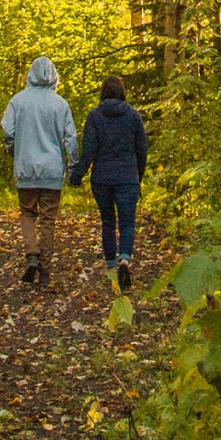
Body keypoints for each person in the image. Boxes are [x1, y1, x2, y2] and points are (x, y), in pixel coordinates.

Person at [0, 55, 77, 287]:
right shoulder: (60, 103)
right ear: (54, 76)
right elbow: (70, 137)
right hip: (52, 171)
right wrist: (73, 164)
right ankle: (45, 270)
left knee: (27, 213)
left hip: (26, 169)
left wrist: (13, 150)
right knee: (48, 220)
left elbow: (7, 131)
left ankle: (32, 253)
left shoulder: (18, 101)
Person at [68, 75, 147, 291]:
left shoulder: (95, 116)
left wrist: (77, 175)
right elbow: (142, 150)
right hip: (127, 177)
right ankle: (124, 259)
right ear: (122, 92)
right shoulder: (133, 116)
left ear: (103, 92)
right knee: (127, 222)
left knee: (108, 221)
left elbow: (89, 151)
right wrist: (138, 175)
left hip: (102, 178)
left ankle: (112, 267)